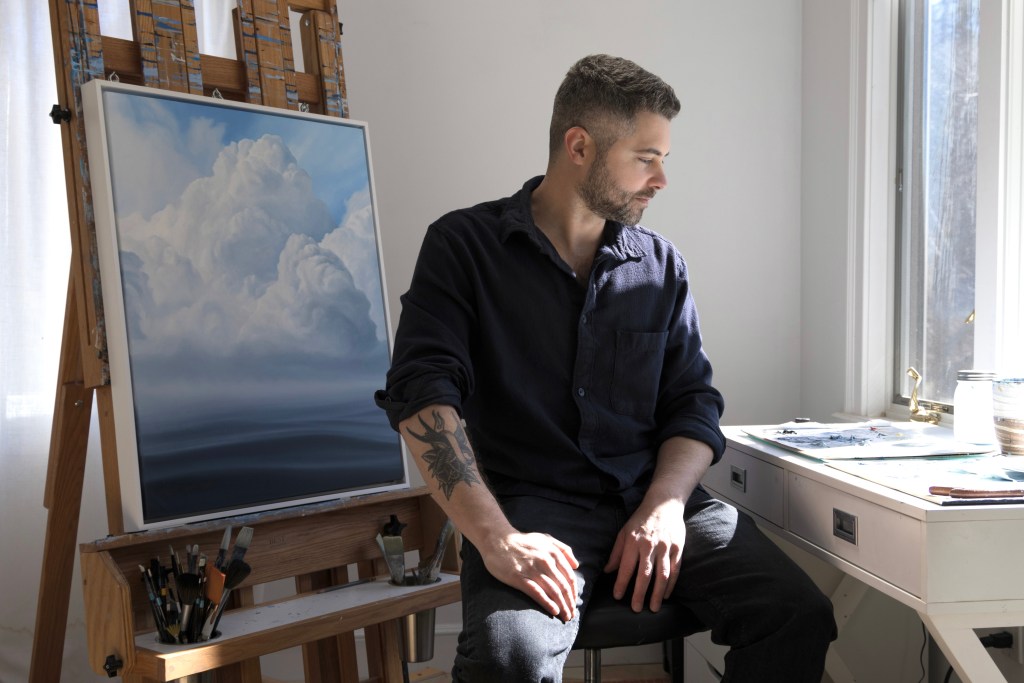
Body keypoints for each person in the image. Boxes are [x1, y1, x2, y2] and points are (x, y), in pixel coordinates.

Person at [375, 54, 837, 682]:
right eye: (646, 158)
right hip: (530, 510)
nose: (661, 180)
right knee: (508, 660)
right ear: (580, 147)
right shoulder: (463, 247)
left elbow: (693, 404)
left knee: (797, 614)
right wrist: (497, 539)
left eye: (664, 159)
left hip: (656, 497)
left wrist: (665, 506)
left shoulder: (661, 266)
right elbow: (423, 393)